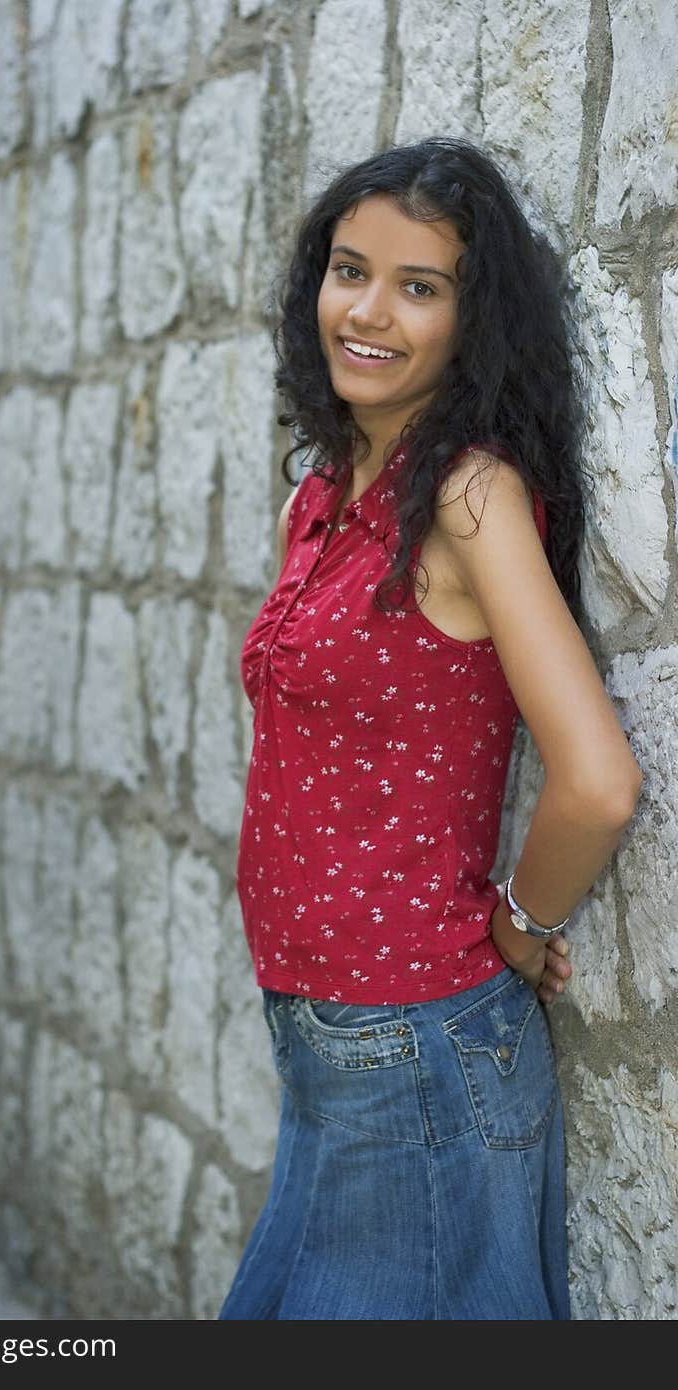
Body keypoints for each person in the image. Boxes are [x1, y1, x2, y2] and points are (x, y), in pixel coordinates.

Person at [218, 137, 644, 1321]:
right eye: (349, 269)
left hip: (415, 1048)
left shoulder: (467, 495)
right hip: (327, 1035)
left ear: (473, 318)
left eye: (420, 286)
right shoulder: (326, 494)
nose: (368, 310)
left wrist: (519, 921)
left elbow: (598, 781)